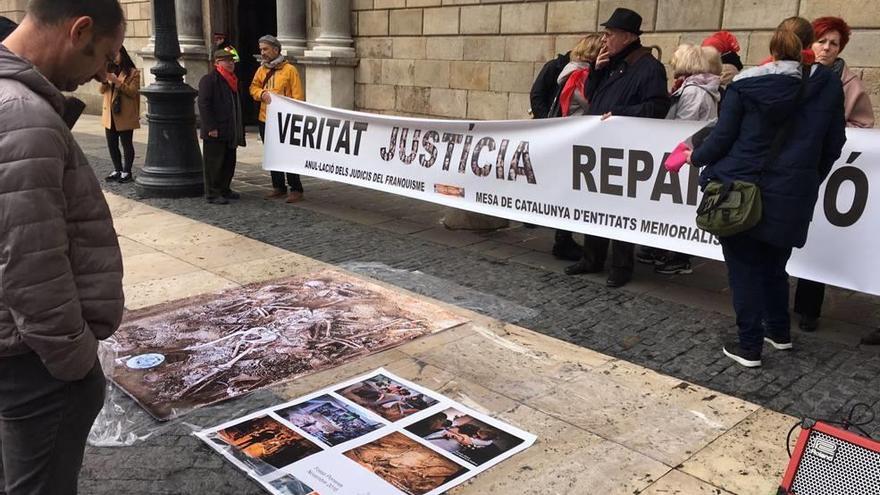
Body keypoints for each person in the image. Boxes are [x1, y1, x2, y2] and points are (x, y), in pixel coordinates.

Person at [0, 1, 126, 493]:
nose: (101, 73)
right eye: (105, 56)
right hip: (33, 363)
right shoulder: (21, 114)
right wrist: (73, 363)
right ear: (80, 31)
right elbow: (29, 264)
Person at [688, 22, 846, 367]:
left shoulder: (746, 84)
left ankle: (749, 346)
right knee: (775, 265)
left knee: (744, 268)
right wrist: (807, 178)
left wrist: (694, 156)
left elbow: (722, 138)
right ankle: (779, 331)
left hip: (741, 189)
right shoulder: (828, 84)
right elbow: (834, 143)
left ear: (773, 48)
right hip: (792, 192)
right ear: (807, 45)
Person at [564, 7, 671, 288]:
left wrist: (621, 114)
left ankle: (622, 266)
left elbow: (657, 106)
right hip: (600, 146)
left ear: (626, 37)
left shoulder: (649, 67)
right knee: (594, 205)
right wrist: (596, 72)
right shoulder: (610, 62)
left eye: (609, 34)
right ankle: (592, 258)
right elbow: (592, 97)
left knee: (621, 210)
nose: (604, 40)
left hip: (626, 148)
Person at [793, 17, 876, 333]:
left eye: (834, 43)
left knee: (817, 238)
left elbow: (863, 125)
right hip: (791, 168)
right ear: (809, 43)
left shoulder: (849, 83)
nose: (827, 48)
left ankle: (807, 309)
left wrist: (830, 131)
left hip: (828, 172)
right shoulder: (793, 72)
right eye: (821, 41)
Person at [639, 44, 722, 275]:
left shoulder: (694, 90)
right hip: (686, 155)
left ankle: (679, 257)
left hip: (685, 157)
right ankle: (668, 251)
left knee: (678, 207)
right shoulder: (694, 87)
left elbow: (684, 126)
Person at [547, 35, 602, 262]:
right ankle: (563, 241)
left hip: (572, 140)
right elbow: (592, 105)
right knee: (572, 193)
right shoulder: (580, 76)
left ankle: (564, 239)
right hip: (578, 141)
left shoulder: (571, 72)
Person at [249, 34, 305, 203]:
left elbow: (298, 97)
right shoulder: (261, 70)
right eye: (261, 49)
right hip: (265, 119)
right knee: (272, 154)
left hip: (284, 120)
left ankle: (296, 188)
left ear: (276, 49)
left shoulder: (290, 70)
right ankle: (278, 186)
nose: (262, 53)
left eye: (265, 49)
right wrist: (262, 93)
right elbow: (253, 87)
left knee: (288, 155)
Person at [199, 48, 246, 205]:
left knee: (228, 161)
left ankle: (225, 189)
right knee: (214, 163)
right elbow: (204, 104)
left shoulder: (233, 80)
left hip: (230, 128)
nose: (231, 63)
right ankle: (212, 193)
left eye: (232, 60)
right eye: (227, 60)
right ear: (218, 62)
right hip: (216, 129)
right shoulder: (209, 80)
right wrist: (210, 127)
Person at [100, 45, 139, 183]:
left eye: (116, 54)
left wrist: (117, 82)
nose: (114, 58)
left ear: (123, 54)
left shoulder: (133, 72)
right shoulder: (109, 71)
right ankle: (117, 169)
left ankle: (127, 171)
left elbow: (133, 92)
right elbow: (102, 90)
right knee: (112, 144)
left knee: (126, 143)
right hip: (110, 115)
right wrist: (105, 80)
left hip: (124, 114)